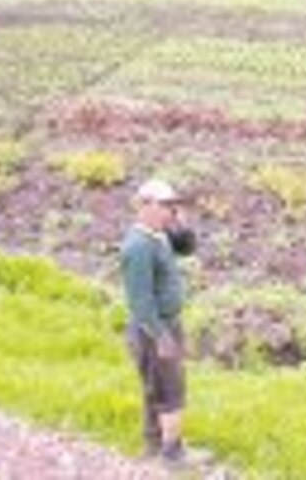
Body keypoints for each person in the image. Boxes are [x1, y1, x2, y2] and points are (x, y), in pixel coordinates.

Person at [121, 178, 190, 465]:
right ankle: (172, 454)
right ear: (144, 205)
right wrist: (161, 336)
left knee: (155, 388)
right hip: (153, 329)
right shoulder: (138, 246)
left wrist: (182, 226)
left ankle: (153, 446)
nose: (171, 212)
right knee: (170, 390)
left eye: (174, 206)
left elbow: (186, 248)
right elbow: (140, 300)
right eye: (165, 205)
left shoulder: (158, 235)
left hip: (164, 324)